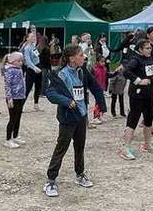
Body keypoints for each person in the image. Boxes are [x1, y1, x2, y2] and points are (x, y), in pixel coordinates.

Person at [43, 42, 107, 196]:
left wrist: (102, 105)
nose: (84, 57)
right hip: (67, 117)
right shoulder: (60, 74)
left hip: (81, 115)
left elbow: (95, 86)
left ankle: (80, 174)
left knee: (80, 146)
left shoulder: (82, 71)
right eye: (80, 55)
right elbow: (50, 93)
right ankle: (51, 180)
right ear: (72, 58)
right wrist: (66, 101)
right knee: (62, 147)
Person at [118, 37, 153, 160]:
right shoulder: (135, 59)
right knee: (133, 120)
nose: (150, 50)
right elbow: (126, 71)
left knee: (148, 120)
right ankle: (124, 149)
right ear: (140, 49)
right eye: (147, 48)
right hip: (137, 96)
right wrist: (138, 81)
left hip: (149, 95)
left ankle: (147, 145)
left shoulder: (150, 59)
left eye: (150, 48)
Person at [2, 51, 28, 148]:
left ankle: (15, 136)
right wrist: (9, 98)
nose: (21, 63)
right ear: (13, 61)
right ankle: (8, 139)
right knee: (12, 118)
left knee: (18, 118)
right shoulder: (9, 70)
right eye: (19, 61)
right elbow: (7, 85)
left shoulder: (19, 69)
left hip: (20, 97)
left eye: (22, 61)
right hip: (13, 98)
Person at [20, 31, 43, 109]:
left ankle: (36, 104)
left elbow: (37, 56)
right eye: (32, 37)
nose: (33, 38)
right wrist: (34, 68)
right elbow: (28, 61)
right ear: (27, 38)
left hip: (38, 66)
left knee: (38, 86)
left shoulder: (33, 46)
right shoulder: (27, 48)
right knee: (28, 88)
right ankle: (21, 105)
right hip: (31, 69)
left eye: (34, 36)